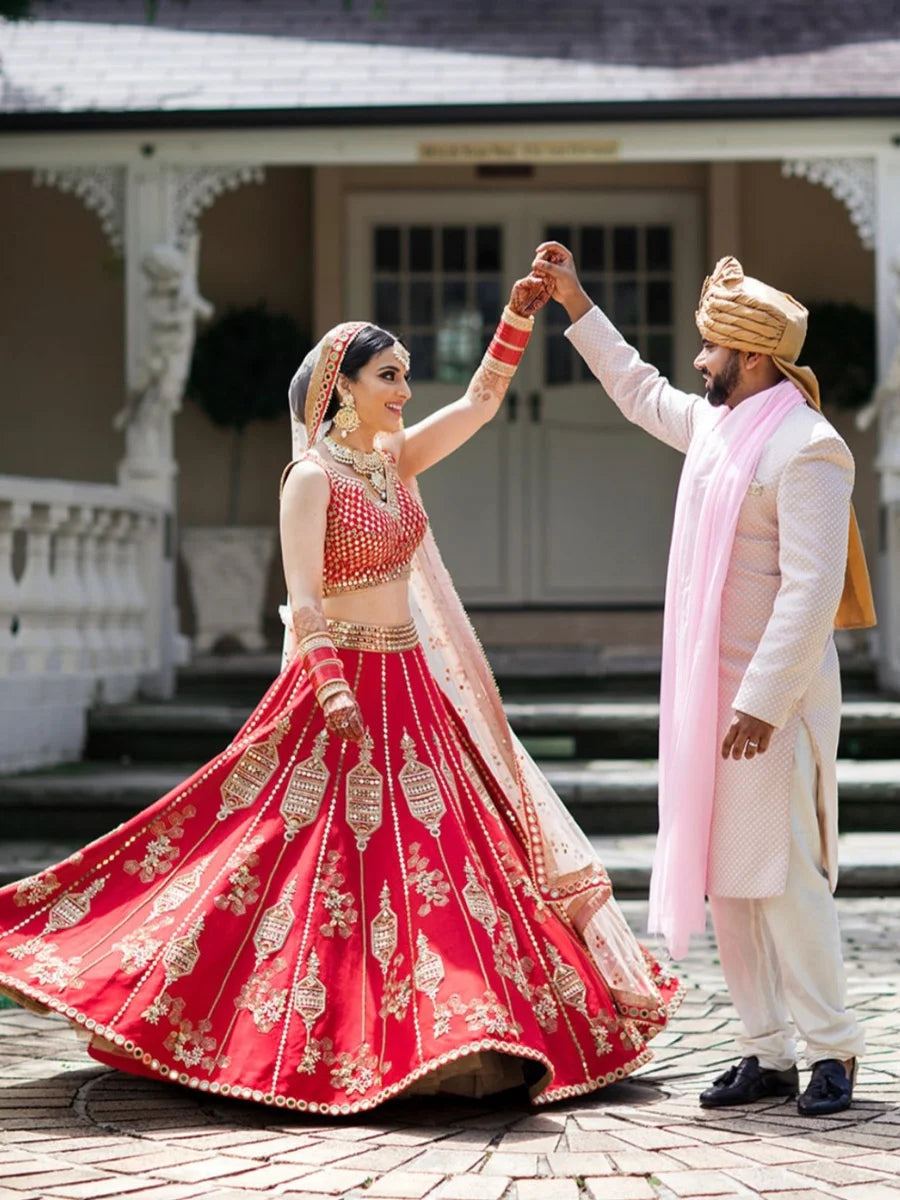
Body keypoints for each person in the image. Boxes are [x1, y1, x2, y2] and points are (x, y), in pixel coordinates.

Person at [0, 273, 680, 1115]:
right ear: (341, 389)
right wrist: (331, 692)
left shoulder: (392, 461)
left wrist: (517, 316)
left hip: (412, 689)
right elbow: (306, 601)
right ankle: (301, 1029)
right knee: (292, 863)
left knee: (441, 865)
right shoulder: (309, 480)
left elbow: (477, 403)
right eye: (387, 376)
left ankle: (467, 1028)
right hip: (337, 696)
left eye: (402, 373)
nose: (402, 389)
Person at [532, 246, 876, 1117]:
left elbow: (810, 589)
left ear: (752, 358)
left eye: (713, 349)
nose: (698, 362)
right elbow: (642, 390)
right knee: (728, 882)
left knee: (786, 877)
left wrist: (762, 703)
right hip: (704, 702)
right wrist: (576, 302)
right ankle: (764, 1052)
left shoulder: (809, 447)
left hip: (773, 701)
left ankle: (832, 1050)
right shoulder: (724, 428)